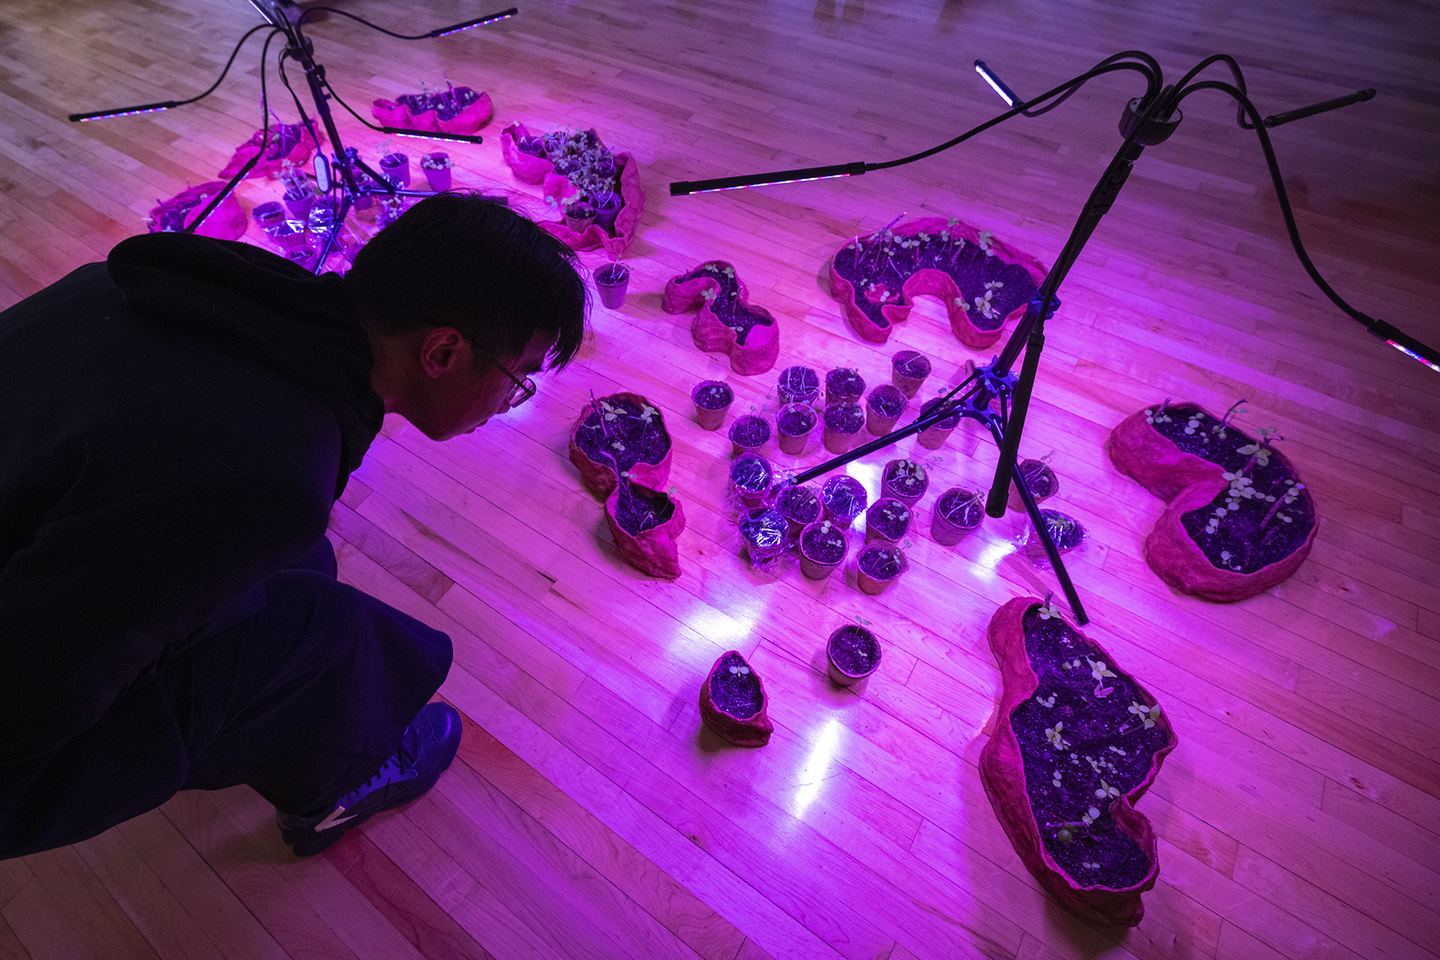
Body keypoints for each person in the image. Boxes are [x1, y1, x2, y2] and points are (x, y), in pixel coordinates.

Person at [0, 191, 588, 859]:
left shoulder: (201, 290)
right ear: (444, 351)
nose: (509, 403)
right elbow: (39, 687)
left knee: (297, 567)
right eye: (519, 379)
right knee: (322, 638)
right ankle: (335, 789)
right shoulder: (269, 467)